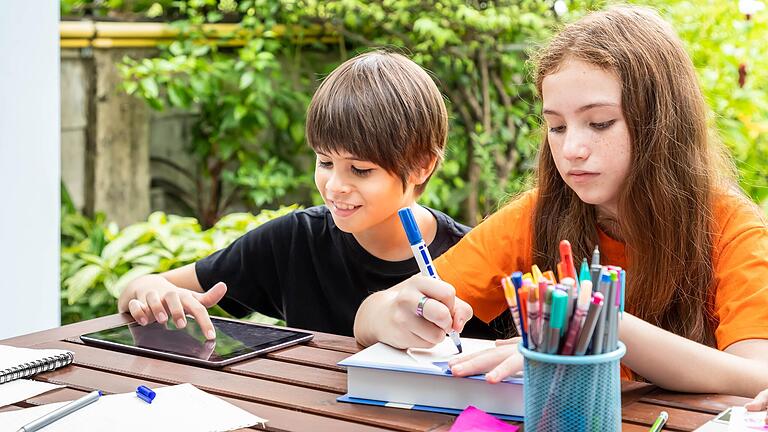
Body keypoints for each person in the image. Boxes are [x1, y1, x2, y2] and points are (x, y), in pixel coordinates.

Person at [353, 6, 768, 400]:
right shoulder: (539, 214)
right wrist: (391, 314)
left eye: (600, 123)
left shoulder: (730, 225)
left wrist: (601, 325)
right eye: (555, 126)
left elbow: (755, 375)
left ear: (661, 121)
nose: (571, 148)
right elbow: (373, 316)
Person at [118, 50, 499, 340]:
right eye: (325, 162)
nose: (335, 186)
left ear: (421, 166)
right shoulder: (294, 241)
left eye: (360, 170)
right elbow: (141, 291)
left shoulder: (474, 260)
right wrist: (150, 289)